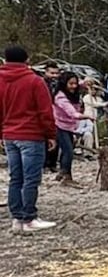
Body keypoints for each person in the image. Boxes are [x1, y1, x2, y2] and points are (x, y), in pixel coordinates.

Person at [0, 45, 57, 232]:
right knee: (31, 179)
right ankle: (29, 218)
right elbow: (45, 111)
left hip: (10, 134)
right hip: (31, 134)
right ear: (26, 60)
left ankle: (17, 218)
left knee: (15, 178)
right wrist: (50, 134)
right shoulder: (34, 81)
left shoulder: (1, 80)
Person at [53, 71, 88, 186]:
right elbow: (70, 111)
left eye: (75, 84)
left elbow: (81, 83)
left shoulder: (74, 91)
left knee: (67, 149)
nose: (74, 86)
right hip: (59, 125)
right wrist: (83, 116)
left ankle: (62, 172)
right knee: (68, 151)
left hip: (70, 126)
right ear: (64, 84)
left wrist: (87, 82)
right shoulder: (60, 97)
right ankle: (67, 176)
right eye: (71, 84)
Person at [42, 61, 61, 173]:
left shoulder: (59, 84)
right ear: (46, 72)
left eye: (56, 73)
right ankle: (44, 164)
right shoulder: (41, 83)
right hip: (44, 113)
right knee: (44, 141)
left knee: (56, 139)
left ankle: (53, 164)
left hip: (56, 115)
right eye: (51, 73)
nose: (54, 76)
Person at [79, 78, 107, 150]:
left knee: (96, 132)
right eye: (92, 89)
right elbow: (95, 104)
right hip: (88, 117)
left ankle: (95, 145)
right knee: (88, 132)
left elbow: (102, 102)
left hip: (96, 117)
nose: (93, 91)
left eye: (95, 89)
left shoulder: (98, 98)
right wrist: (105, 104)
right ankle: (85, 147)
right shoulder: (86, 97)